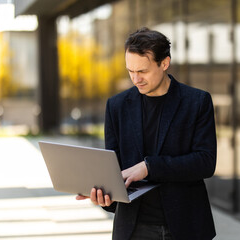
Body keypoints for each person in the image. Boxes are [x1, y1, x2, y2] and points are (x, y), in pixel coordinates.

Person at [76, 27, 217, 240]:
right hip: (133, 228)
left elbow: (205, 162)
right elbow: (115, 169)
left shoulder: (197, 102)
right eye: (130, 71)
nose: (135, 79)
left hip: (185, 225)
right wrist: (105, 196)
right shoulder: (117, 106)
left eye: (142, 71)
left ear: (164, 63)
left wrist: (148, 167)